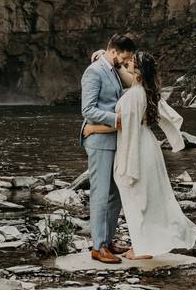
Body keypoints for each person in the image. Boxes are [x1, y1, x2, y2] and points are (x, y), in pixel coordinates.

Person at [83, 50, 196, 259]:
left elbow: (123, 124)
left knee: (136, 200)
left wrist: (93, 130)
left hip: (137, 148)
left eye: (130, 63)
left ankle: (141, 248)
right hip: (148, 146)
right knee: (148, 198)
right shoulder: (145, 90)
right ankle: (145, 243)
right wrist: (110, 60)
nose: (125, 63)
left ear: (137, 73)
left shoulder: (133, 96)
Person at [80, 33, 136, 264]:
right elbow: (88, 110)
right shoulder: (93, 71)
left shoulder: (112, 68)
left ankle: (108, 240)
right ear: (113, 51)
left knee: (115, 194)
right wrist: (118, 119)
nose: (125, 62)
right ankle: (98, 247)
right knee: (101, 194)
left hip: (114, 141)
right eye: (124, 57)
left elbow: (132, 83)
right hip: (100, 143)